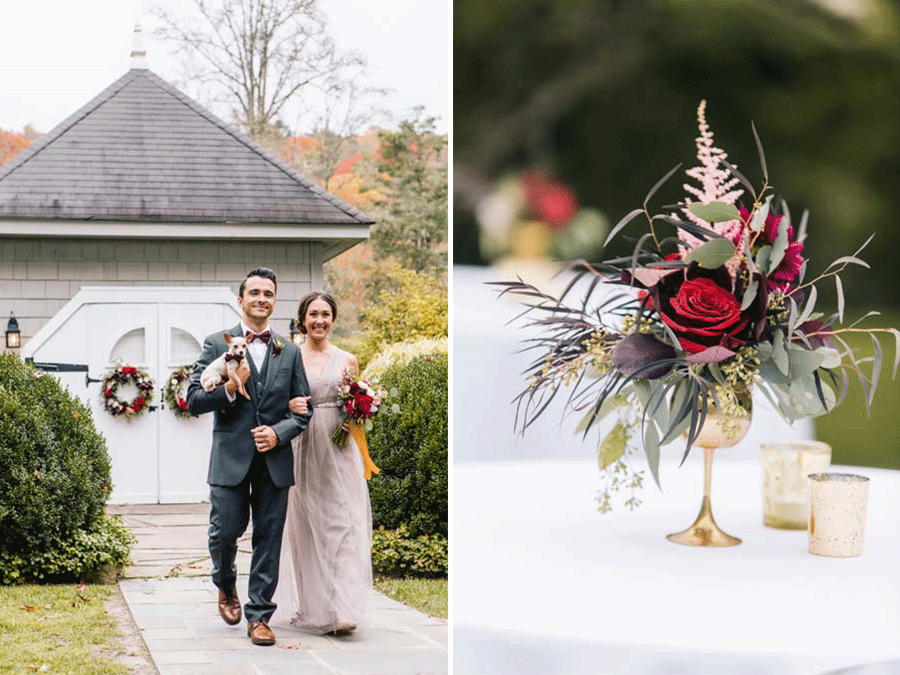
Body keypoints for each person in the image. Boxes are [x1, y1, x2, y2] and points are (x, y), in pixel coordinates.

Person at [187, 267, 312, 647]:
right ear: (241, 300)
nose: (262, 298)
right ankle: (225, 584)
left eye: (269, 293)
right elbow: (192, 400)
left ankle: (259, 616)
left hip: (274, 463)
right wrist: (227, 387)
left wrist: (279, 433)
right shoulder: (215, 343)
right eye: (254, 292)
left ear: (274, 302)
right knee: (224, 533)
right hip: (229, 458)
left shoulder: (289, 351)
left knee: (268, 538)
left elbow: (303, 410)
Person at [274, 291, 373, 635]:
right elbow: (275, 401)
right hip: (303, 447)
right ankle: (315, 607)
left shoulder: (348, 359)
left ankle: (344, 608)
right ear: (303, 319)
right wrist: (290, 407)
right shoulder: (288, 357)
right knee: (307, 527)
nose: (319, 320)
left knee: (343, 524)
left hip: (339, 447)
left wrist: (357, 417)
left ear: (333, 319)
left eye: (326, 314)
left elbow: (357, 404)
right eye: (313, 314)